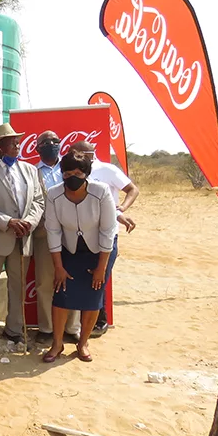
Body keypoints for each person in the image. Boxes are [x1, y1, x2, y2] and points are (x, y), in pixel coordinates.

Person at [0, 123, 44, 351]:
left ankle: (14, 329)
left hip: (24, 238)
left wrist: (29, 223)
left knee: (18, 286)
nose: (17, 144)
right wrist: (8, 222)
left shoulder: (30, 170)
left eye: (17, 141)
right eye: (12, 141)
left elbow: (38, 201)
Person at [42, 153, 118, 363]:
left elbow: (108, 230)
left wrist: (101, 267)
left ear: (87, 174)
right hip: (69, 250)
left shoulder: (100, 191)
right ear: (62, 173)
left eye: (78, 173)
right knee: (61, 294)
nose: (72, 177)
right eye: (67, 172)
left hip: (101, 250)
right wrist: (58, 266)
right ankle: (57, 344)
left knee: (93, 295)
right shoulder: (54, 194)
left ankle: (83, 342)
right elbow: (53, 231)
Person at [70, 140, 139, 336]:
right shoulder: (73, 173)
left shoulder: (107, 170)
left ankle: (99, 322)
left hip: (107, 235)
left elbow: (133, 189)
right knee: (85, 279)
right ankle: (85, 325)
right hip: (81, 236)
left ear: (89, 153)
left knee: (99, 278)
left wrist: (121, 209)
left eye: (77, 153)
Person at [32, 131, 81, 344]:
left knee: (73, 280)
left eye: (55, 141)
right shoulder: (31, 172)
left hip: (72, 233)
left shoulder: (71, 169)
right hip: (44, 234)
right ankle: (46, 328)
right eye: (46, 142)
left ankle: (72, 327)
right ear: (37, 148)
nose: (51, 144)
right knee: (44, 282)